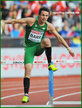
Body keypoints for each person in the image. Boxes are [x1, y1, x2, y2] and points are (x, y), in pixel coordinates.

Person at [4, 7, 74, 103]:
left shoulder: (49, 26)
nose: (44, 17)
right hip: (29, 49)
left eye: (46, 16)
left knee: (47, 41)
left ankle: (50, 64)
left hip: (39, 47)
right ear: (39, 15)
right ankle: (26, 95)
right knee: (27, 71)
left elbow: (59, 37)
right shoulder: (31, 21)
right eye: (43, 15)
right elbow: (17, 21)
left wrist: (68, 48)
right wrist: (4, 22)